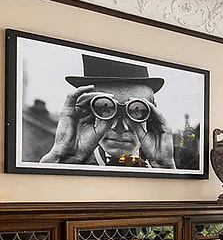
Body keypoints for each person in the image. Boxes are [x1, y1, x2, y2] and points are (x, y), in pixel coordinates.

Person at [40, 54, 176, 168]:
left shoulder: (185, 161)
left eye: (136, 110)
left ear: (152, 115)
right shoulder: (71, 161)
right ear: (87, 112)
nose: (120, 127)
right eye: (105, 109)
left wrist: (164, 169)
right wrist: (63, 160)